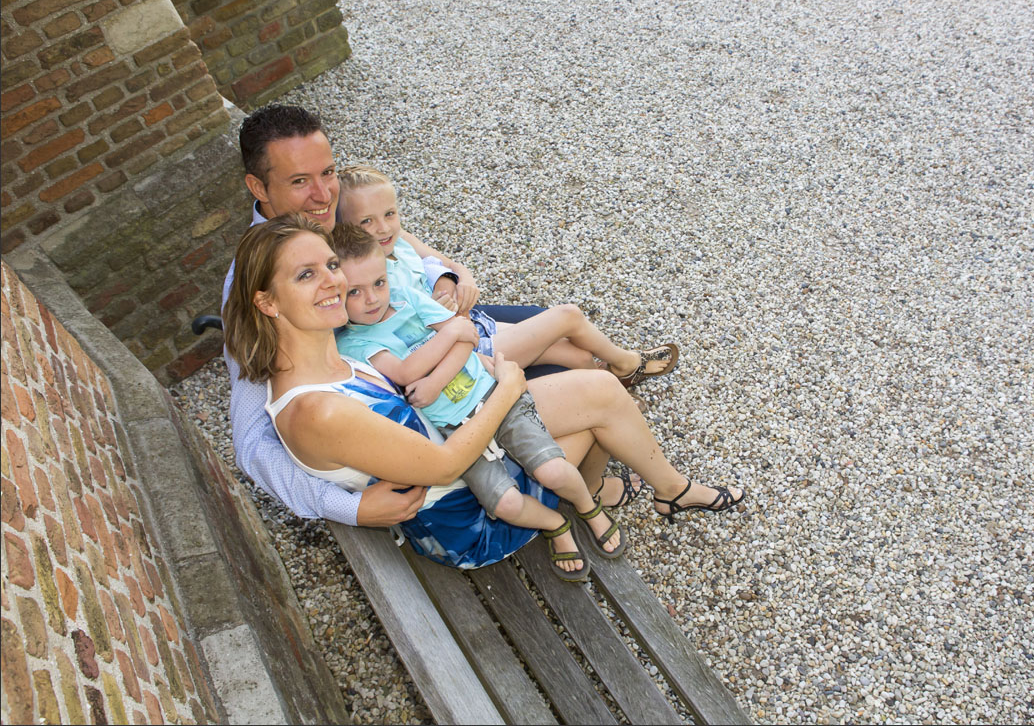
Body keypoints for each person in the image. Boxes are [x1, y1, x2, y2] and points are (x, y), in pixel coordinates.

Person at [223, 215, 745, 568]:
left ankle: (646, 489)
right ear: (267, 303)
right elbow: (444, 465)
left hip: (464, 439)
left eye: (331, 265)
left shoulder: (327, 356)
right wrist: (509, 387)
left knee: (601, 389)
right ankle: (633, 493)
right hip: (471, 515)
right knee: (599, 410)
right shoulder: (317, 409)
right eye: (306, 275)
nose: (333, 282)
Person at [224, 104, 649, 527]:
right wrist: (345, 506)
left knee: (562, 339)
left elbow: (410, 248)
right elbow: (251, 441)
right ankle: (588, 473)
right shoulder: (256, 284)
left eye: (328, 172)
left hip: (427, 321)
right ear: (258, 187)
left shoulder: (332, 213)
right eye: (300, 181)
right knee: (570, 369)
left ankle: (597, 435)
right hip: (422, 375)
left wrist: (449, 275)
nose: (323, 194)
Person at [330, 222, 623, 580]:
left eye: (379, 283)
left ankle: (589, 508)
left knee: (553, 469)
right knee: (505, 503)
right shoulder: (353, 343)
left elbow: (468, 337)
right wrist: (451, 334)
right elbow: (405, 373)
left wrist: (437, 376)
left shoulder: (406, 297)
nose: (372, 298)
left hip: (493, 394)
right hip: (457, 432)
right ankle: (556, 524)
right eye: (355, 292)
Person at [336, 163, 681, 385]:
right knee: (569, 316)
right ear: (346, 230)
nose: (383, 227)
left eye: (390, 214)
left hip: (471, 324)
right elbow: (409, 328)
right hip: (461, 348)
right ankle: (628, 364)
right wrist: (445, 309)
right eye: (366, 222)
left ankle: (611, 387)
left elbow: (451, 266)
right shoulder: (372, 276)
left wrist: (459, 279)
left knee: (575, 354)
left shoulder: (399, 241)